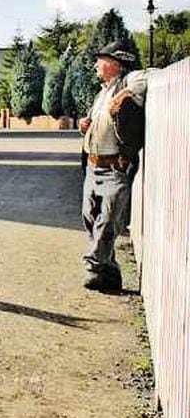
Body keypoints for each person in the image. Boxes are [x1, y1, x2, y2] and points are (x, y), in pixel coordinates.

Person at [77, 41, 145, 293]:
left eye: (101, 60)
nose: (96, 64)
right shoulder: (101, 92)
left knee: (108, 222)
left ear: (115, 64)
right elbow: (98, 121)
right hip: (93, 165)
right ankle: (112, 276)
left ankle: (94, 266)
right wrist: (86, 125)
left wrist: (125, 94)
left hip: (115, 166)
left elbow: (149, 76)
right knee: (90, 218)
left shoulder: (129, 80)